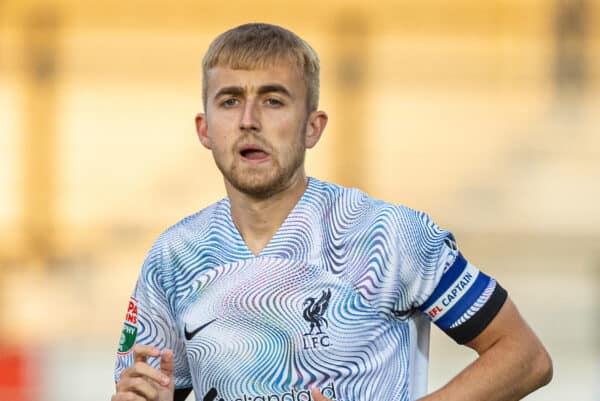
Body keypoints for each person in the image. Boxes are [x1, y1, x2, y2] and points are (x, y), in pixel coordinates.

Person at [111, 23, 552, 401]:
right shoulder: (173, 257)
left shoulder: (388, 233)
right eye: (229, 100)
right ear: (205, 129)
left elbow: (524, 356)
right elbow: (147, 389)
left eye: (273, 100)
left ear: (312, 127)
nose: (248, 120)